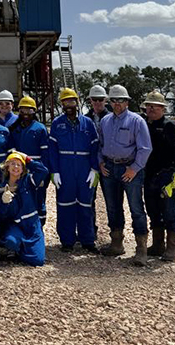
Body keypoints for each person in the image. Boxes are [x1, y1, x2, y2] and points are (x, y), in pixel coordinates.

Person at [98, 84, 152, 266]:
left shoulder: (137, 121)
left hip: (130, 169)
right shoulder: (105, 121)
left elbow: (145, 148)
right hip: (109, 168)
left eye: (120, 100)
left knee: (136, 208)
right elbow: (99, 144)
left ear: (127, 102)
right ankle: (116, 242)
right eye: (113, 100)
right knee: (113, 207)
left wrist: (134, 168)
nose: (117, 104)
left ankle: (141, 249)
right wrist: (101, 163)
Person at [49, 88, 100, 253]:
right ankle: (67, 241)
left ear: (77, 103)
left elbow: (94, 147)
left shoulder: (88, 123)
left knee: (86, 205)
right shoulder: (57, 123)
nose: (69, 105)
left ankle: (88, 240)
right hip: (65, 170)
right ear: (62, 104)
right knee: (65, 205)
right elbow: (52, 149)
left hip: (85, 168)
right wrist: (55, 171)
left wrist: (94, 169)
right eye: (65, 102)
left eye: (72, 101)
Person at [143, 91, 175, 262]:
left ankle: (172, 248)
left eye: (154, 106)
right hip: (149, 174)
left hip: (167, 175)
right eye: (148, 105)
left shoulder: (170, 126)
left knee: (169, 211)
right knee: (153, 210)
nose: (151, 108)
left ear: (163, 108)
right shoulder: (145, 125)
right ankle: (157, 244)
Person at [0, 152, 48, 266]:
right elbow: (2, 215)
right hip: (16, 226)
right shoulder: (1, 188)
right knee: (11, 242)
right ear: (7, 167)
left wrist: (27, 159)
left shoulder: (29, 181)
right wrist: (4, 203)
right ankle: (13, 246)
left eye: (19, 165)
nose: (16, 167)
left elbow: (43, 170)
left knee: (37, 260)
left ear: (23, 168)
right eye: (13, 164)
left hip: (32, 224)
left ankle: (21, 251)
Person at [8, 96, 50, 226]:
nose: (26, 114)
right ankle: (20, 228)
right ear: (18, 111)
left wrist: (44, 176)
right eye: (23, 111)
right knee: (20, 198)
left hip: (36, 169)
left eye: (29, 111)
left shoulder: (40, 128)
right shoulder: (14, 129)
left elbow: (46, 154)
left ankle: (39, 227)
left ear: (34, 112)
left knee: (38, 199)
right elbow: (11, 149)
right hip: (19, 170)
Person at [85, 84, 110, 236]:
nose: (97, 103)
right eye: (94, 100)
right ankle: (90, 232)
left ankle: (116, 236)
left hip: (108, 164)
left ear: (105, 100)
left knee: (112, 200)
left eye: (100, 99)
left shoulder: (113, 118)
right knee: (89, 199)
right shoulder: (85, 119)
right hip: (90, 164)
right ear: (90, 101)